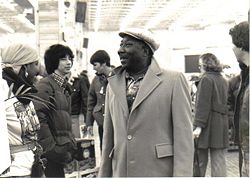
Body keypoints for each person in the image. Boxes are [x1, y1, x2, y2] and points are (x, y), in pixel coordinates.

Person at [98, 28, 194, 177]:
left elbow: (184, 138)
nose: (120, 50)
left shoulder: (173, 81)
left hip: (158, 171)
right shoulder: (113, 83)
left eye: (128, 45)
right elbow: (108, 136)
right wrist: (104, 174)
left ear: (145, 51)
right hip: (122, 171)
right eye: (120, 44)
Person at [34, 44, 77, 177]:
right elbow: (38, 117)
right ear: (53, 61)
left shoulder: (63, 87)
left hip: (61, 148)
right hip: (52, 153)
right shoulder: (45, 85)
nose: (68, 62)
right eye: (63, 59)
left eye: (70, 58)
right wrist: (52, 149)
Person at [0, 44, 42, 177]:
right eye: (35, 64)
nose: (38, 70)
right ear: (24, 67)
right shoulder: (3, 92)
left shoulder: (25, 94)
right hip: (13, 172)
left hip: (32, 167)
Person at [193, 53, 229, 177]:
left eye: (199, 65)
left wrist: (198, 126)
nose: (199, 68)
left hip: (207, 124)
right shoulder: (223, 80)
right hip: (221, 124)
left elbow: (202, 104)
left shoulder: (206, 79)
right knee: (219, 161)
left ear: (205, 64)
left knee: (200, 161)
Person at [229, 21, 249, 176]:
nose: (232, 48)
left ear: (241, 45)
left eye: (233, 44)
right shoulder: (245, 75)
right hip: (246, 144)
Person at [86, 50, 113, 151]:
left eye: (95, 64)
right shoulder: (96, 80)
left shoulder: (118, 77)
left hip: (116, 124)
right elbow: (90, 102)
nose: (93, 68)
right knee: (104, 150)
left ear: (104, 63)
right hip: (102, 123)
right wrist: (89, 123)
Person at [70, 69, 90, 138]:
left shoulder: (79, 80)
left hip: (75, 116)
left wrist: (87, 120)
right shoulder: (55, 80)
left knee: (77, 140)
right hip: (59, 118)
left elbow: (85, 99)